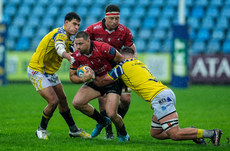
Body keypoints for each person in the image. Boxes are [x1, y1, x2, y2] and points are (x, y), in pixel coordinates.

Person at [93, 47, 223, 146]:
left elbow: (104, 80)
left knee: (175, 134)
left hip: (160, 97)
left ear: (122, 56)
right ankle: (192, 132)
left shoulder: (122, 66)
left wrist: (91, 76)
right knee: (156, 133)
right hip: (164, 93)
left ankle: (211, 133)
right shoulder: (139, 63)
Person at [27, 12, 91, 140]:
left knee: (63, 99)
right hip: (37, 70)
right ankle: (41, 129)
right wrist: (68, 56)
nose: (76, 27)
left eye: (78, 25)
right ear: (66, 22)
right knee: (53, 101)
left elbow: (75, 53)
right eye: (74, 24)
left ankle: (73, 130)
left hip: (49, 72)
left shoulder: (70, 38)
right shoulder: (60, 34)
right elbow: (59, 47)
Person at [85, 4, 136, 139]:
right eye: (112, 18)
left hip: (119, 69)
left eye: (117, 18)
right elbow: (82, 44)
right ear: (106, 17)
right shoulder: (93, 29)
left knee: (126, 99)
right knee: (103, 99)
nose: (115, 21)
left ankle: (119, 124)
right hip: (101, 70)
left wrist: (132, 64)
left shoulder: (124, 31)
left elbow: (132, 49)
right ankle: (109, 131)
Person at [69, 31, 130, 142]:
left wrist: (112, 77)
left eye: (80, 44)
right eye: (76, 44)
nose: (77, 47)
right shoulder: (76, 56)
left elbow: (122, 62)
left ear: (88, 41)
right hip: (96, 82)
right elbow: (72, 77)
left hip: (112, 82)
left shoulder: (103, 48)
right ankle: (102, 121)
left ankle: (123, 134)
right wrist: (83, 79)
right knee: (77, 103)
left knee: (112, 114)